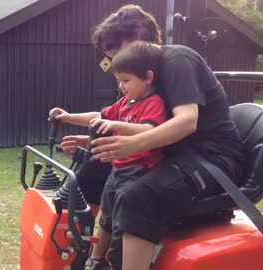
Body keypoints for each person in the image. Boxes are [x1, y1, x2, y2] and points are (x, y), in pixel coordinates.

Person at [58, 4, 244, 270]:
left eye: (115, 52)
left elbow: (187, 121)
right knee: (95, 169)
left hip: (212, 159)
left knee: (138, 197)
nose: (114, 61)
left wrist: (133, 143)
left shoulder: (178, 60)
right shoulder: (142, 79)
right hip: (174, 152)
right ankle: (91, 259)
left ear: (136, 40)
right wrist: (92, 140)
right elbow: (125, 118)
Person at [51, 41, 167, 270]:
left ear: (148, 77)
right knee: (105, 216)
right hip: (119, 168)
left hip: (139, 171)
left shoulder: (154, 103)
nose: (121, 86)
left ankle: (118, 263)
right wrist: (68, 117)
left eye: (126, 81)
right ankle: (95, 259)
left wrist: (114, 124)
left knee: (122, 221)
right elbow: (99, 116)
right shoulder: (126, 102)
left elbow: (150, 130)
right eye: (118, 80)